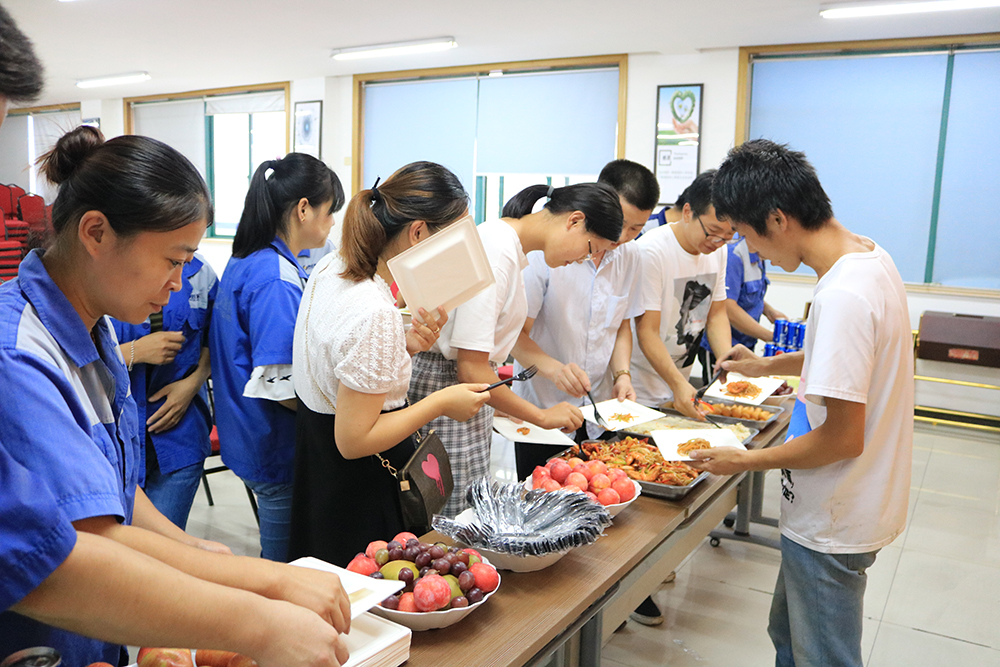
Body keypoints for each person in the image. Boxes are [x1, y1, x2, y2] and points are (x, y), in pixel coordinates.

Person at [0, 126, 351, 665]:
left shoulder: (95, 328)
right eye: (173, 258)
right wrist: (259, 609)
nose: (182, 278)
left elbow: (103, 494)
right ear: (95, 233)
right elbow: (75, 551)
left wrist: (193, 551)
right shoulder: (19, 355)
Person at [689, 139, 914, 667]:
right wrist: (767, 365)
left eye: (747, 237)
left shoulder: (842, 296)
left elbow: (841, 437)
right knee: (788, 635)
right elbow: (850, 358)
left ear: (778, 218)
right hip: (848, 503)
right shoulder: (867, 255)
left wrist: (743, 461)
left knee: (823, 656)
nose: (756, 253)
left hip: (835, 517)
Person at [289, 162, 491, 566]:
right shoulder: (374, 309)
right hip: (360, 481)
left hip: (318, 464)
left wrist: (405, 346)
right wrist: (440, 402)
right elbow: (354, 440)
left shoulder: (333, 266)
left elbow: (339, 366)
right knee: (374, 594)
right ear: (418, 232)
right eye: (454, 238)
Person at [409, 182, 623, 516]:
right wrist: (541, 417)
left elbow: (492, 345)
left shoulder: (508, 245)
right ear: (574, 221)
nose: (584, 259)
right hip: (450, 393)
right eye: (591, 247)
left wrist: (554, 369)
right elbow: (471, 368)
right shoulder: (498, 250)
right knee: (449, 519)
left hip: (463, 389)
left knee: (465, 511)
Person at [210, 153, 345, 562]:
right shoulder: (275, 278)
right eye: (329, 211)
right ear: (304, 209)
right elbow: (282, 385)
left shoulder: (247, 258)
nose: (333, 222)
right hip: (273, 444)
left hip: (245, 433)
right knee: (285, 563)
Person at [510, 160, 658, 479]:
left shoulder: (630, 257)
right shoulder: (544, 254)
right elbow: (514, 336)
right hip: (544, 411)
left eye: (636, 228)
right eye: (621, 222)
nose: (623, 234)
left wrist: (622, 375)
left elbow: (620, 324)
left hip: (599, 412)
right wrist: (555, 370)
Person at [112, 252, 217, 529]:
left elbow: (212, 338)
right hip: (116, 442)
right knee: (123, 559)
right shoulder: (107, 271)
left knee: (165, 550)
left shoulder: (201, 273)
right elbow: (71, 358)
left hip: (179, 438)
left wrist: (192, 385)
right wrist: (132, 352)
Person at [629, 169, 735, 420]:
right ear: (687, 212)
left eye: (728, 236)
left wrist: (726, 360)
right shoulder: (651, 251)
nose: (718, 241)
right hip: (641, 390)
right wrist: (677, 385)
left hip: (682, 387)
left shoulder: (717, 250)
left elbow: (717, 313)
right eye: (712, 231)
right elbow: (647, 331)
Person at [696, 233, 787, 383]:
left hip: (747, 344)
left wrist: (769, 311)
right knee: (722, 394)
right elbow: (728, 308)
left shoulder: (759, 256)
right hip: (724, 346)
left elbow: (747, 294)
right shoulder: (734, 256)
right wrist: (771, 337)